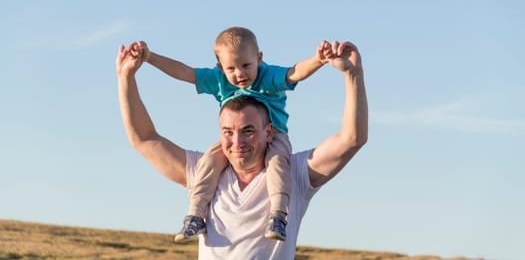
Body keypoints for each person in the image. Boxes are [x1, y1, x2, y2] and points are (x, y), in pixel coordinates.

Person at [116, 38, 368, 259]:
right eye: (227, 132)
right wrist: (126, 77)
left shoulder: (295, 174)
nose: (237, 143)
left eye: (248, 131)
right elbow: (144, 138)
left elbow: (352, 139)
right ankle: (194, 218)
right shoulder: (205, 171)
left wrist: (352, 75)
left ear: (268, 132)